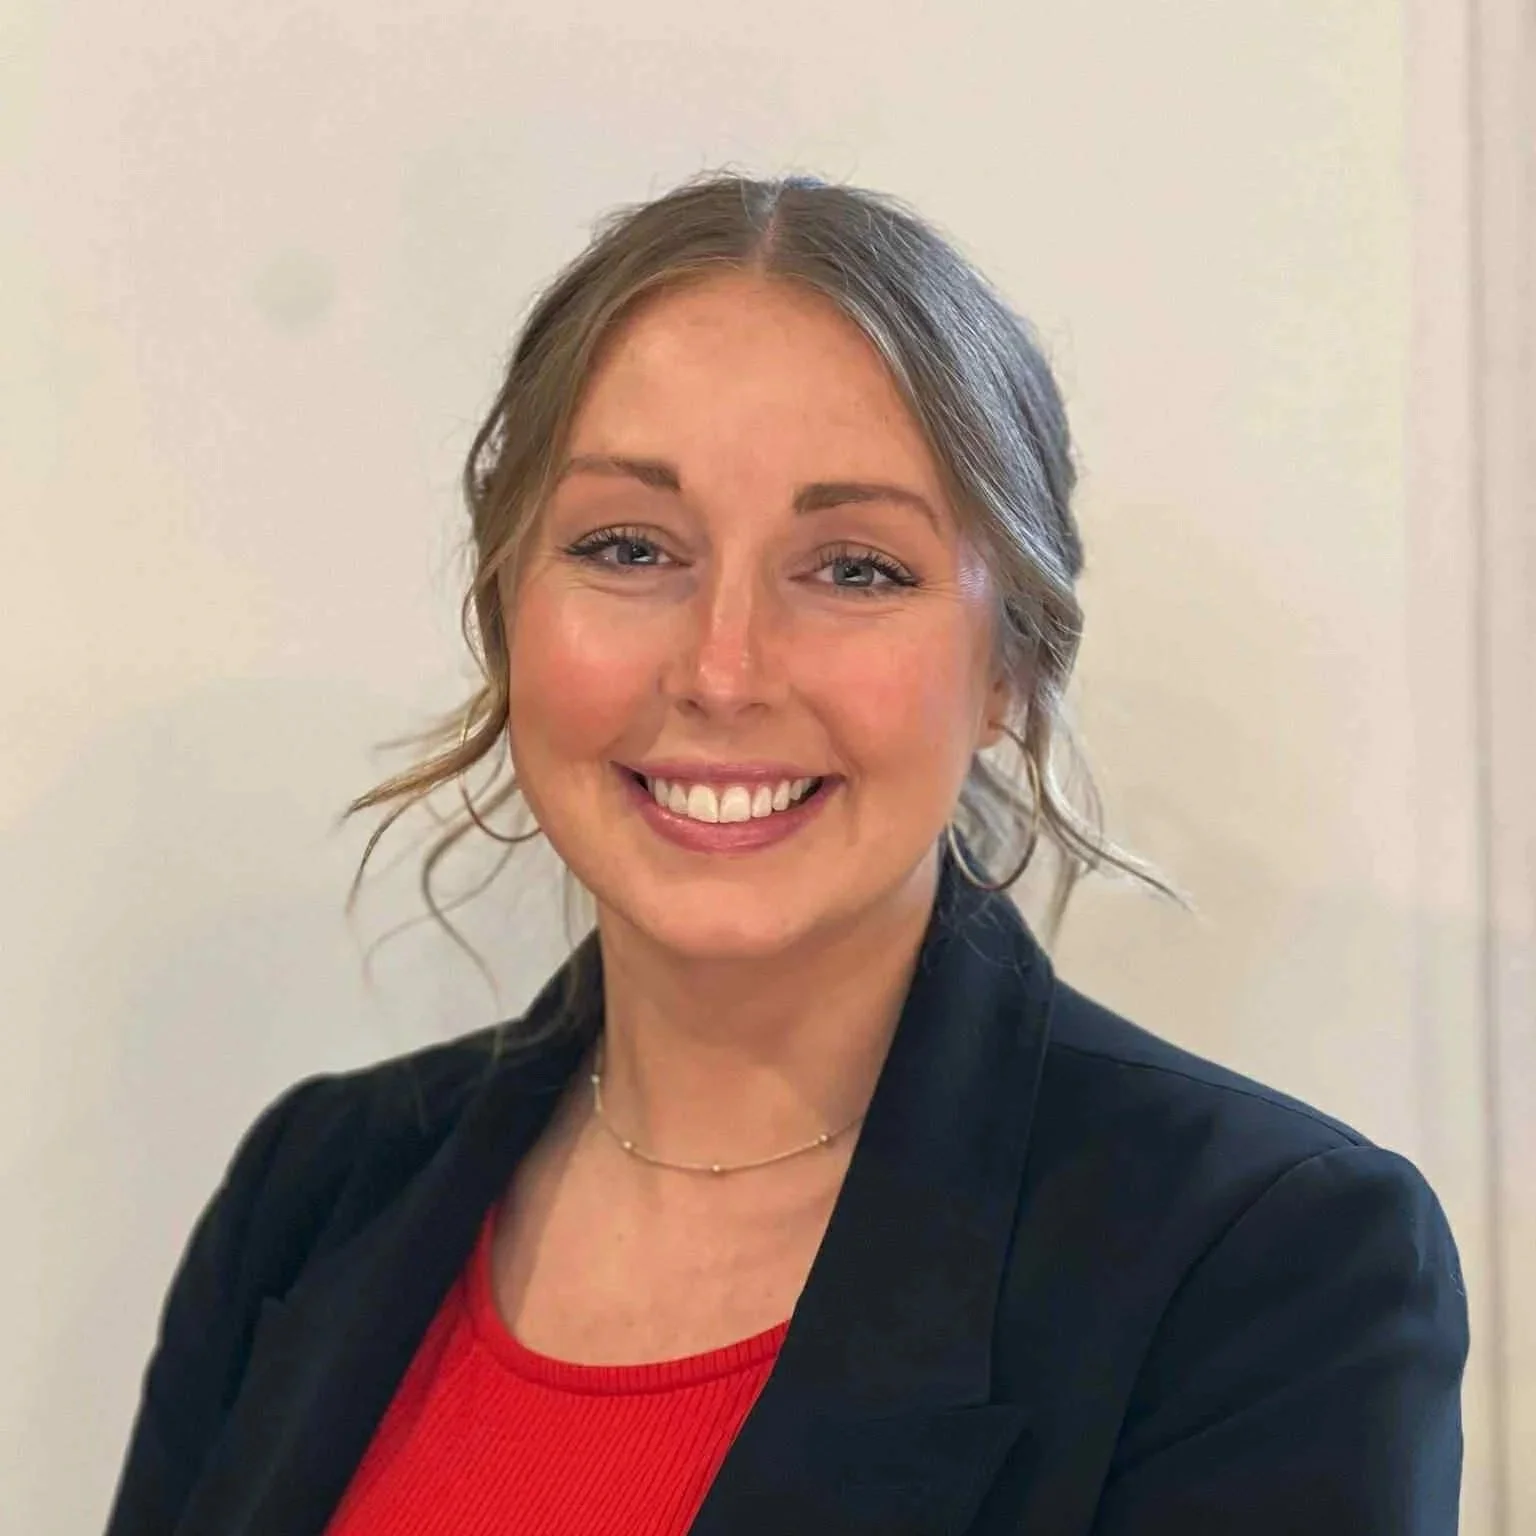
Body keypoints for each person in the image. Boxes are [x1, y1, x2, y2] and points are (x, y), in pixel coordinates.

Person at [104, 172, 1467, 1536]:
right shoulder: (314, 1191)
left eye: (857, 567)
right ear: (508, 611)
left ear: (1011, 669)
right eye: (629, 547)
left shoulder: (1269, 1266)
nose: (722, 666)